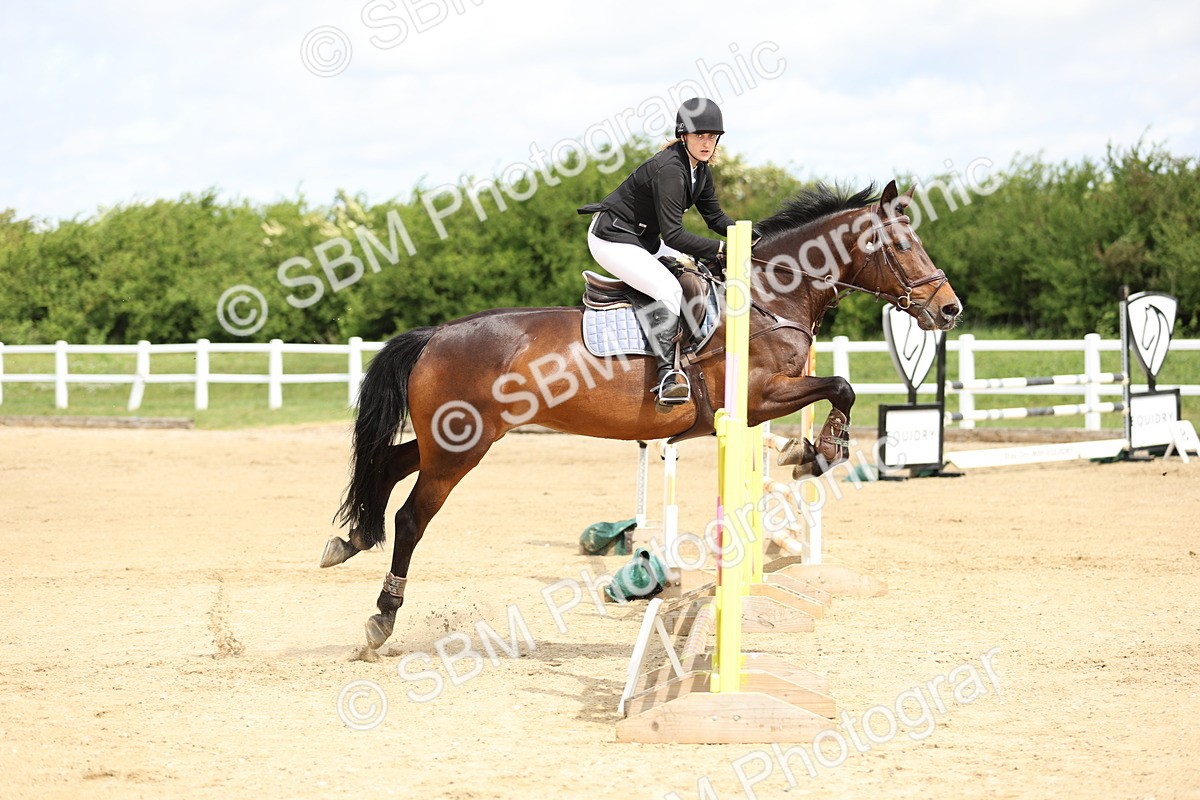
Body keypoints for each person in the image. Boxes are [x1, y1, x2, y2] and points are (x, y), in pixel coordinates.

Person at [578, 97, 736, 407]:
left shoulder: (699, 171)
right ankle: (667, 377)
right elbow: (675, 234)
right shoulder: (670, 169)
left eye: (712, 137)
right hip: (612, 237)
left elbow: (716, 219)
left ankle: (688, 354)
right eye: (700, 136)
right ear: (683, 136)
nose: (707, 143)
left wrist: (754, 235)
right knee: (667, 289)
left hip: (643, 239)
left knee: (696, 275)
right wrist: (720, 249)